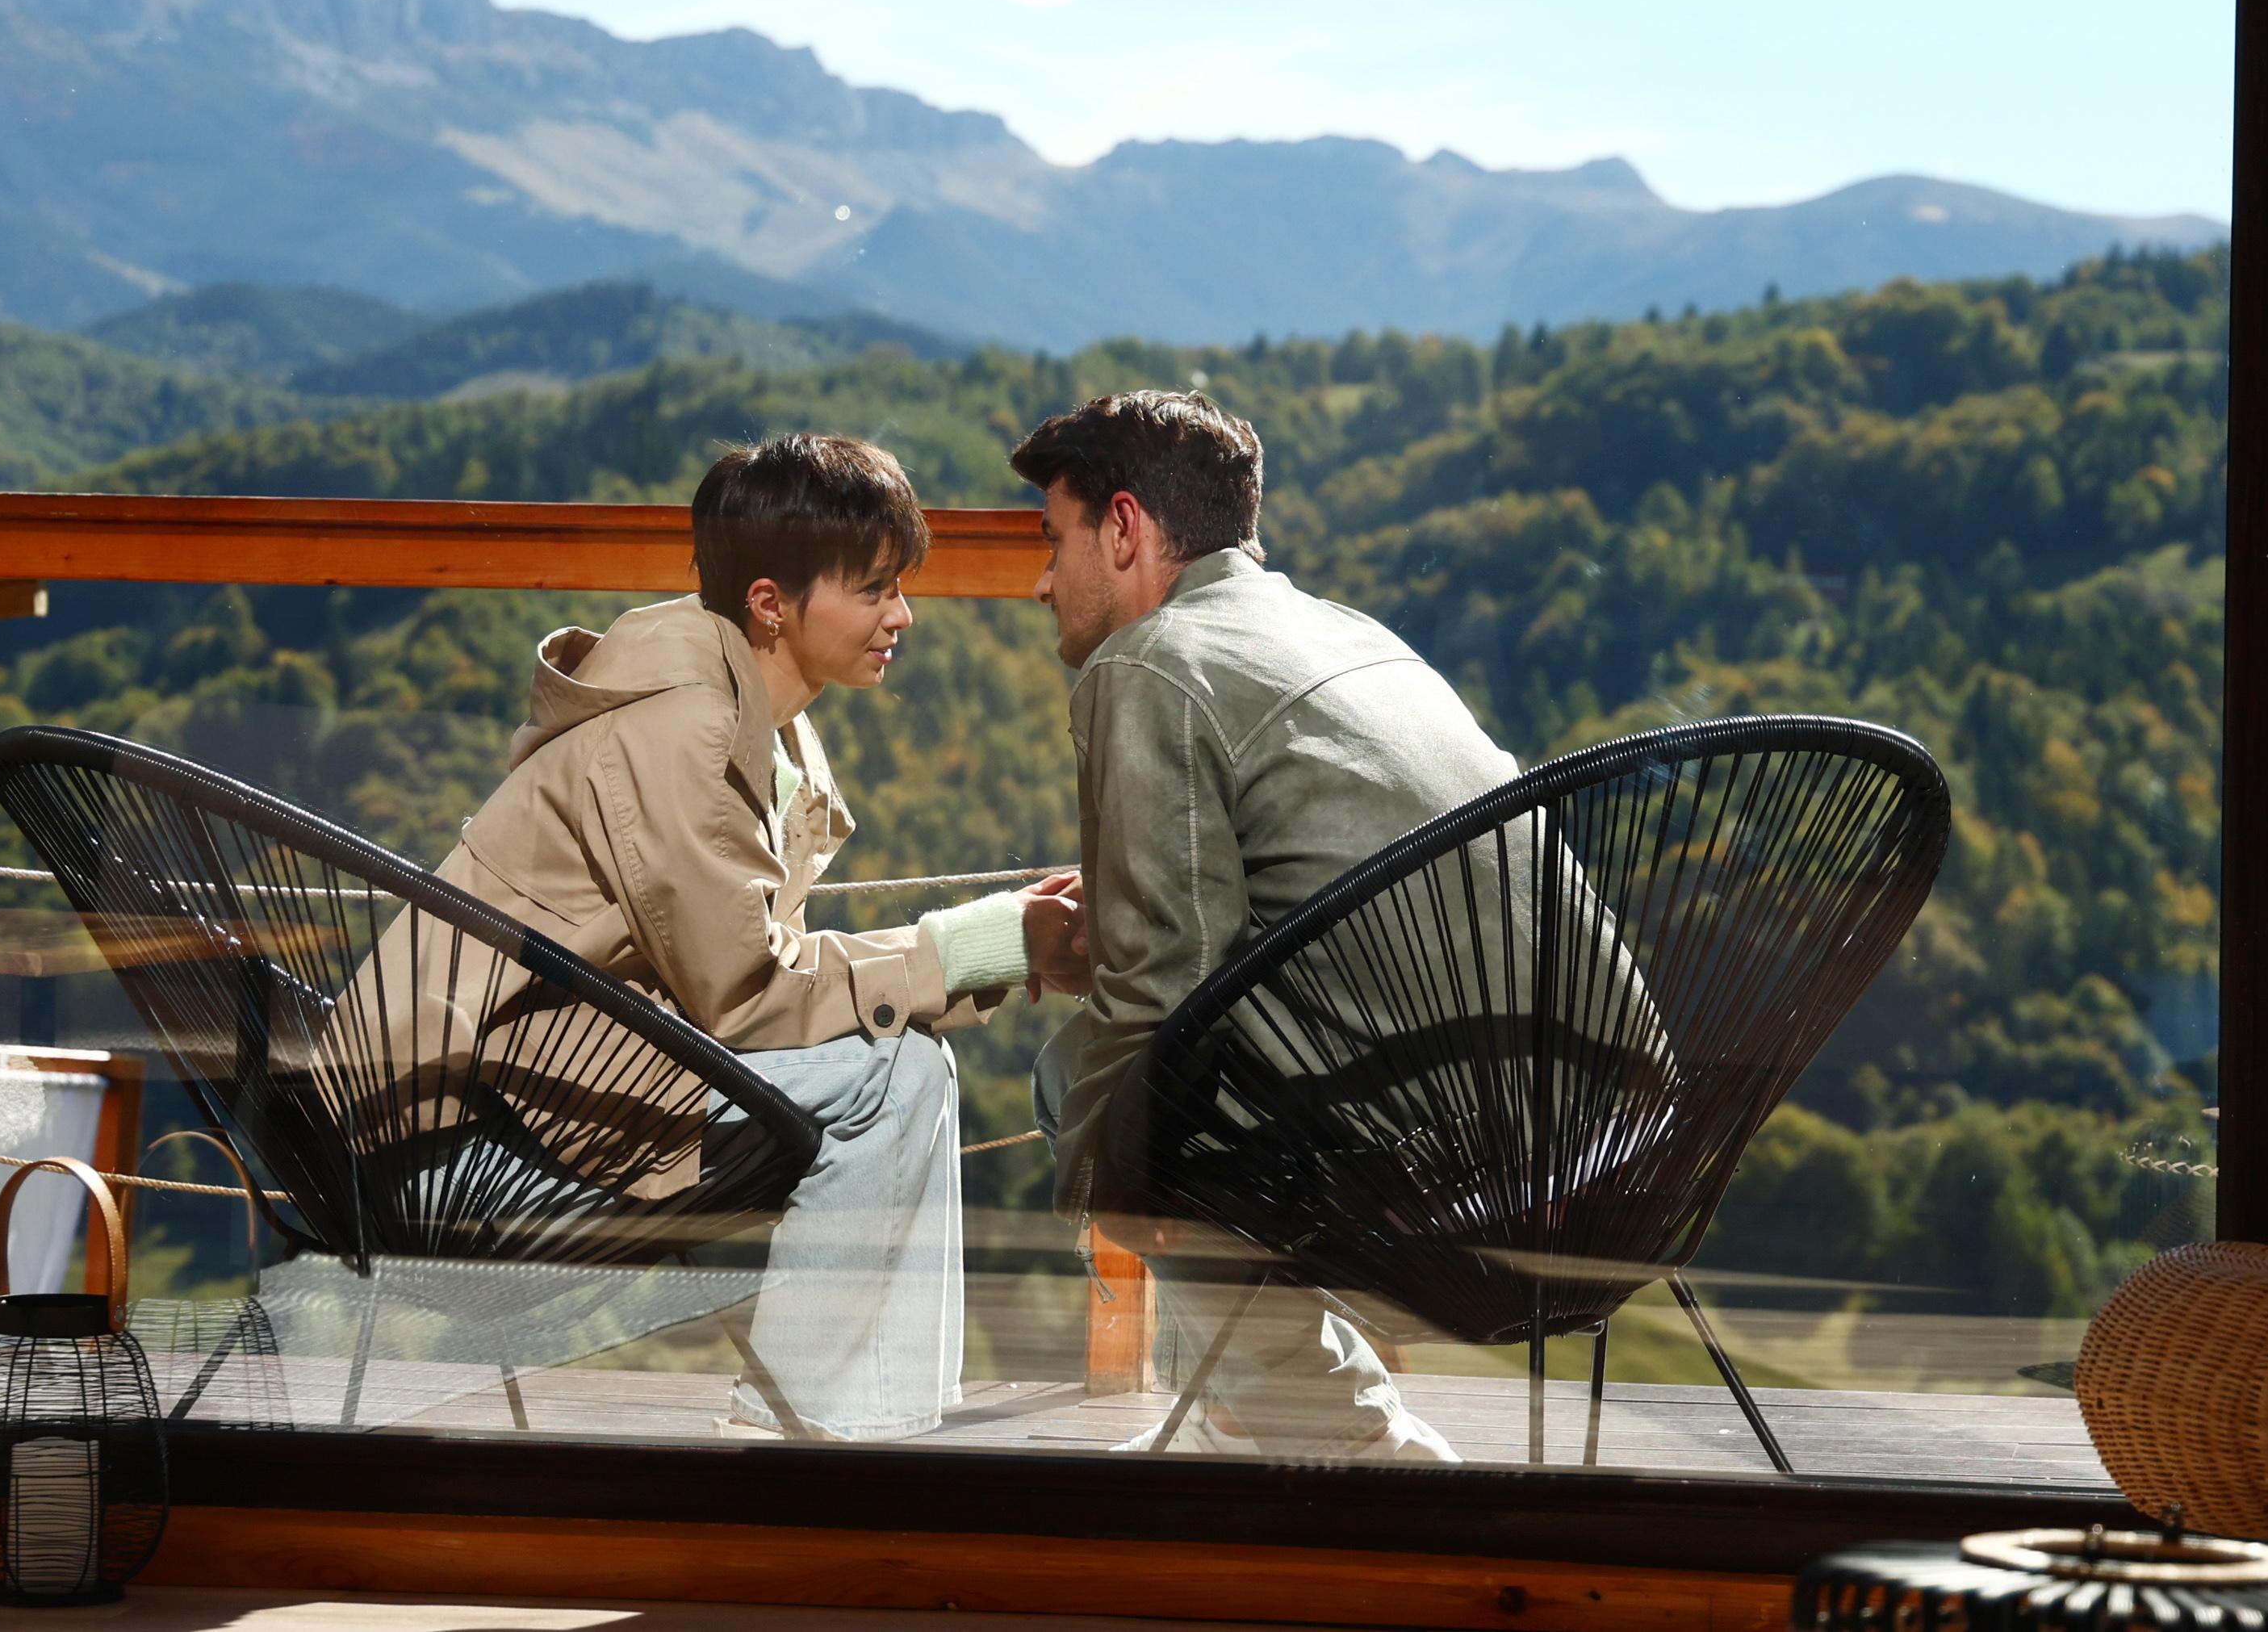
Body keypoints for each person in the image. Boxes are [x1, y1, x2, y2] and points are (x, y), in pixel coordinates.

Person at [366, 432, 1082, 1443]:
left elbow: (743, 985)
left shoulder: (749, 721)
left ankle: (846, 1428)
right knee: (896, 1072)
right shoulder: (685, 732)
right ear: (769, 602)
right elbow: (748, 995)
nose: (902, 614)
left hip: (522, 1094)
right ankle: (814, 1436)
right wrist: (988, 940)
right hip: (453, 1151)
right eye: (874, 588)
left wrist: (994, 939)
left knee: (902, 1062)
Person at [1015, 388, 1529, 1463]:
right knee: (1167, 1085)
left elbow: (1161, 997)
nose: (1039, 580)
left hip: (1437, 1157)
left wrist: (1103, 1191)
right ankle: (1242, 1414)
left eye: (1052, 539)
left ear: (1124, 528)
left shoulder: (1146, 661)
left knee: (1091, 1079)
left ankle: (1338, 1429)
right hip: (1595, 1128)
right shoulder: (1351, 631)